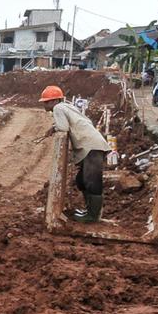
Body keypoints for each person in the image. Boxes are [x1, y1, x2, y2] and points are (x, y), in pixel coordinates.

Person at [37, 85, 111, 223]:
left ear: (55, 101)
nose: (44, 105)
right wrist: (53, 128)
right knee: (81, 180)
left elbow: (63, 127)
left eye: (46, 102)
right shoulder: (67, 106)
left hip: (90, 145)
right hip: (92, 144)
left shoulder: (58, 108)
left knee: (91, 181)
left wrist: (55, 128)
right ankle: (89, 211)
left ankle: (93, 216)